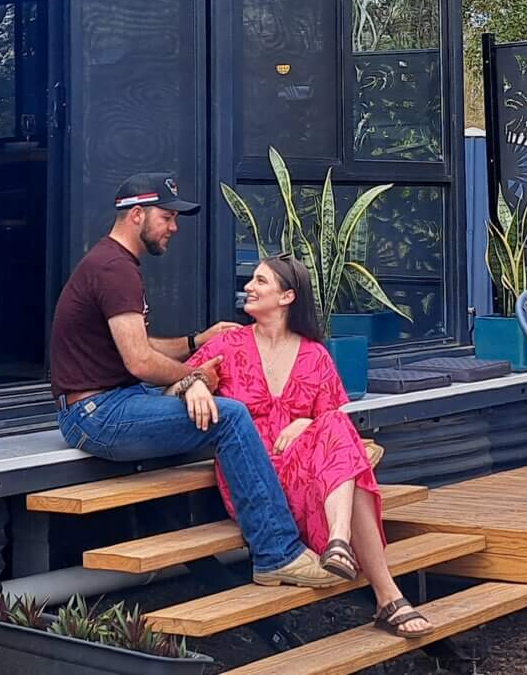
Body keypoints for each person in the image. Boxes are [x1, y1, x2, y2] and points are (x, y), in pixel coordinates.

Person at [50, 172, 339, 588]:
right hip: (96, 415)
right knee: (233, 418)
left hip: (111, 400)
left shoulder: (112, 262)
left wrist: (195, 342)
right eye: (167, 217)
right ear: (136, 215)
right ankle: (278, 552)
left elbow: (137, 345)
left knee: (215, 403)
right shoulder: (115, 270)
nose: (174, 227)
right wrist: (194, 377)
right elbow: (140, 361)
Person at [187, 255, 436, 638]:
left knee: (335, 423)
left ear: (287, 296)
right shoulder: (228, 344)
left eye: (260, 281)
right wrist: (198, 383)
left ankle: (340, 543)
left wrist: (308, 422)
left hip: (307, 479)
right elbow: (177, 381)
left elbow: (336, 431)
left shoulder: (315, 355)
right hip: (253, 482)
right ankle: (386, 594)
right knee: (354, 475)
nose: (248, 288)